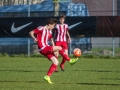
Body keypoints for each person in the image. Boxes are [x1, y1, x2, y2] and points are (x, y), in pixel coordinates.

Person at [29, 18, 78, 84]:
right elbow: (31, 32)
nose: (53, 27)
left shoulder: (49, 31)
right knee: (60, 48)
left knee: (56, 62)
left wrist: (54, 47)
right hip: (43, 48)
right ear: (49, 24)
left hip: (46, 48)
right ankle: (70, 60)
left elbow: (51, 39)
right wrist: (34, 38)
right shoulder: (41, 28)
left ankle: (47, 76)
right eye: (53, 25)